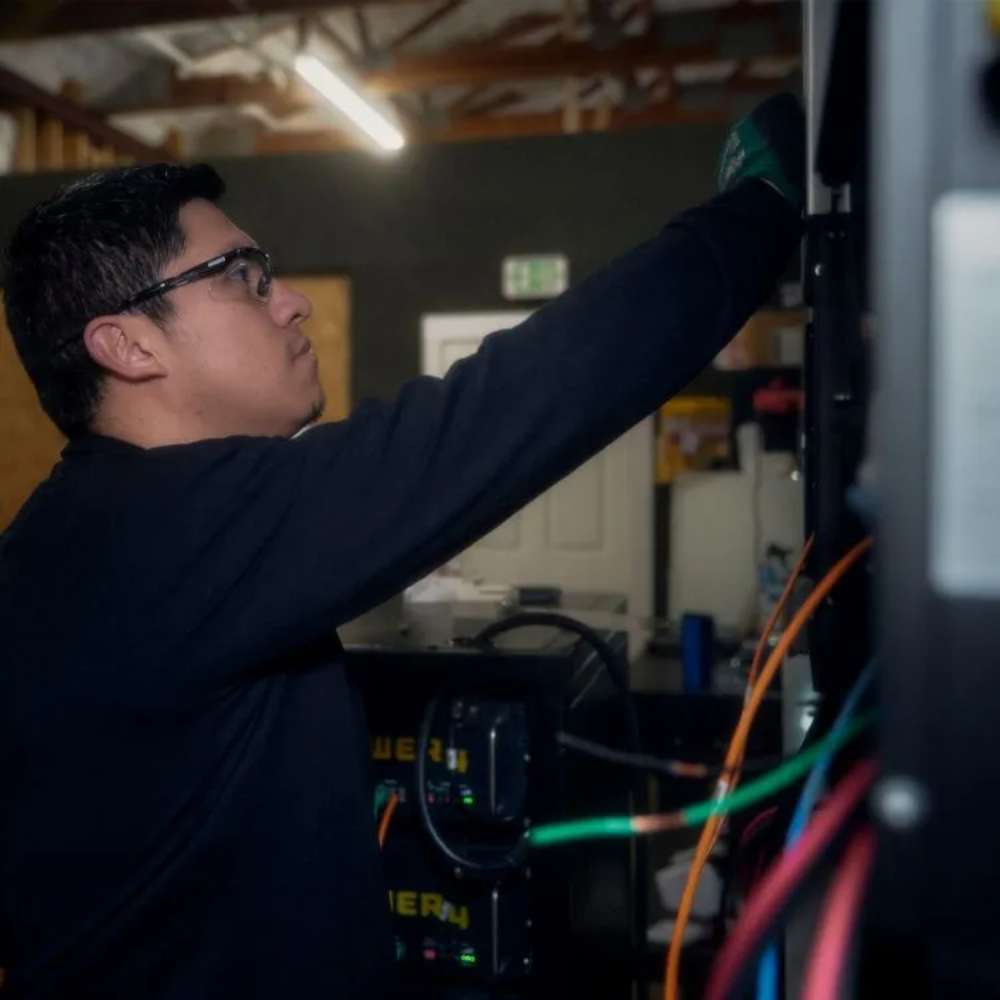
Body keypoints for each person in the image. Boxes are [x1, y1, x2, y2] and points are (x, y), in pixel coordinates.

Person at [0, 93, 804, 999]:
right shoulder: (162, 533)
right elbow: (510, 405)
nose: (292, 301)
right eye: (243, 275)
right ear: (128, 345)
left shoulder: (71, 536)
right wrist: (760, 216)